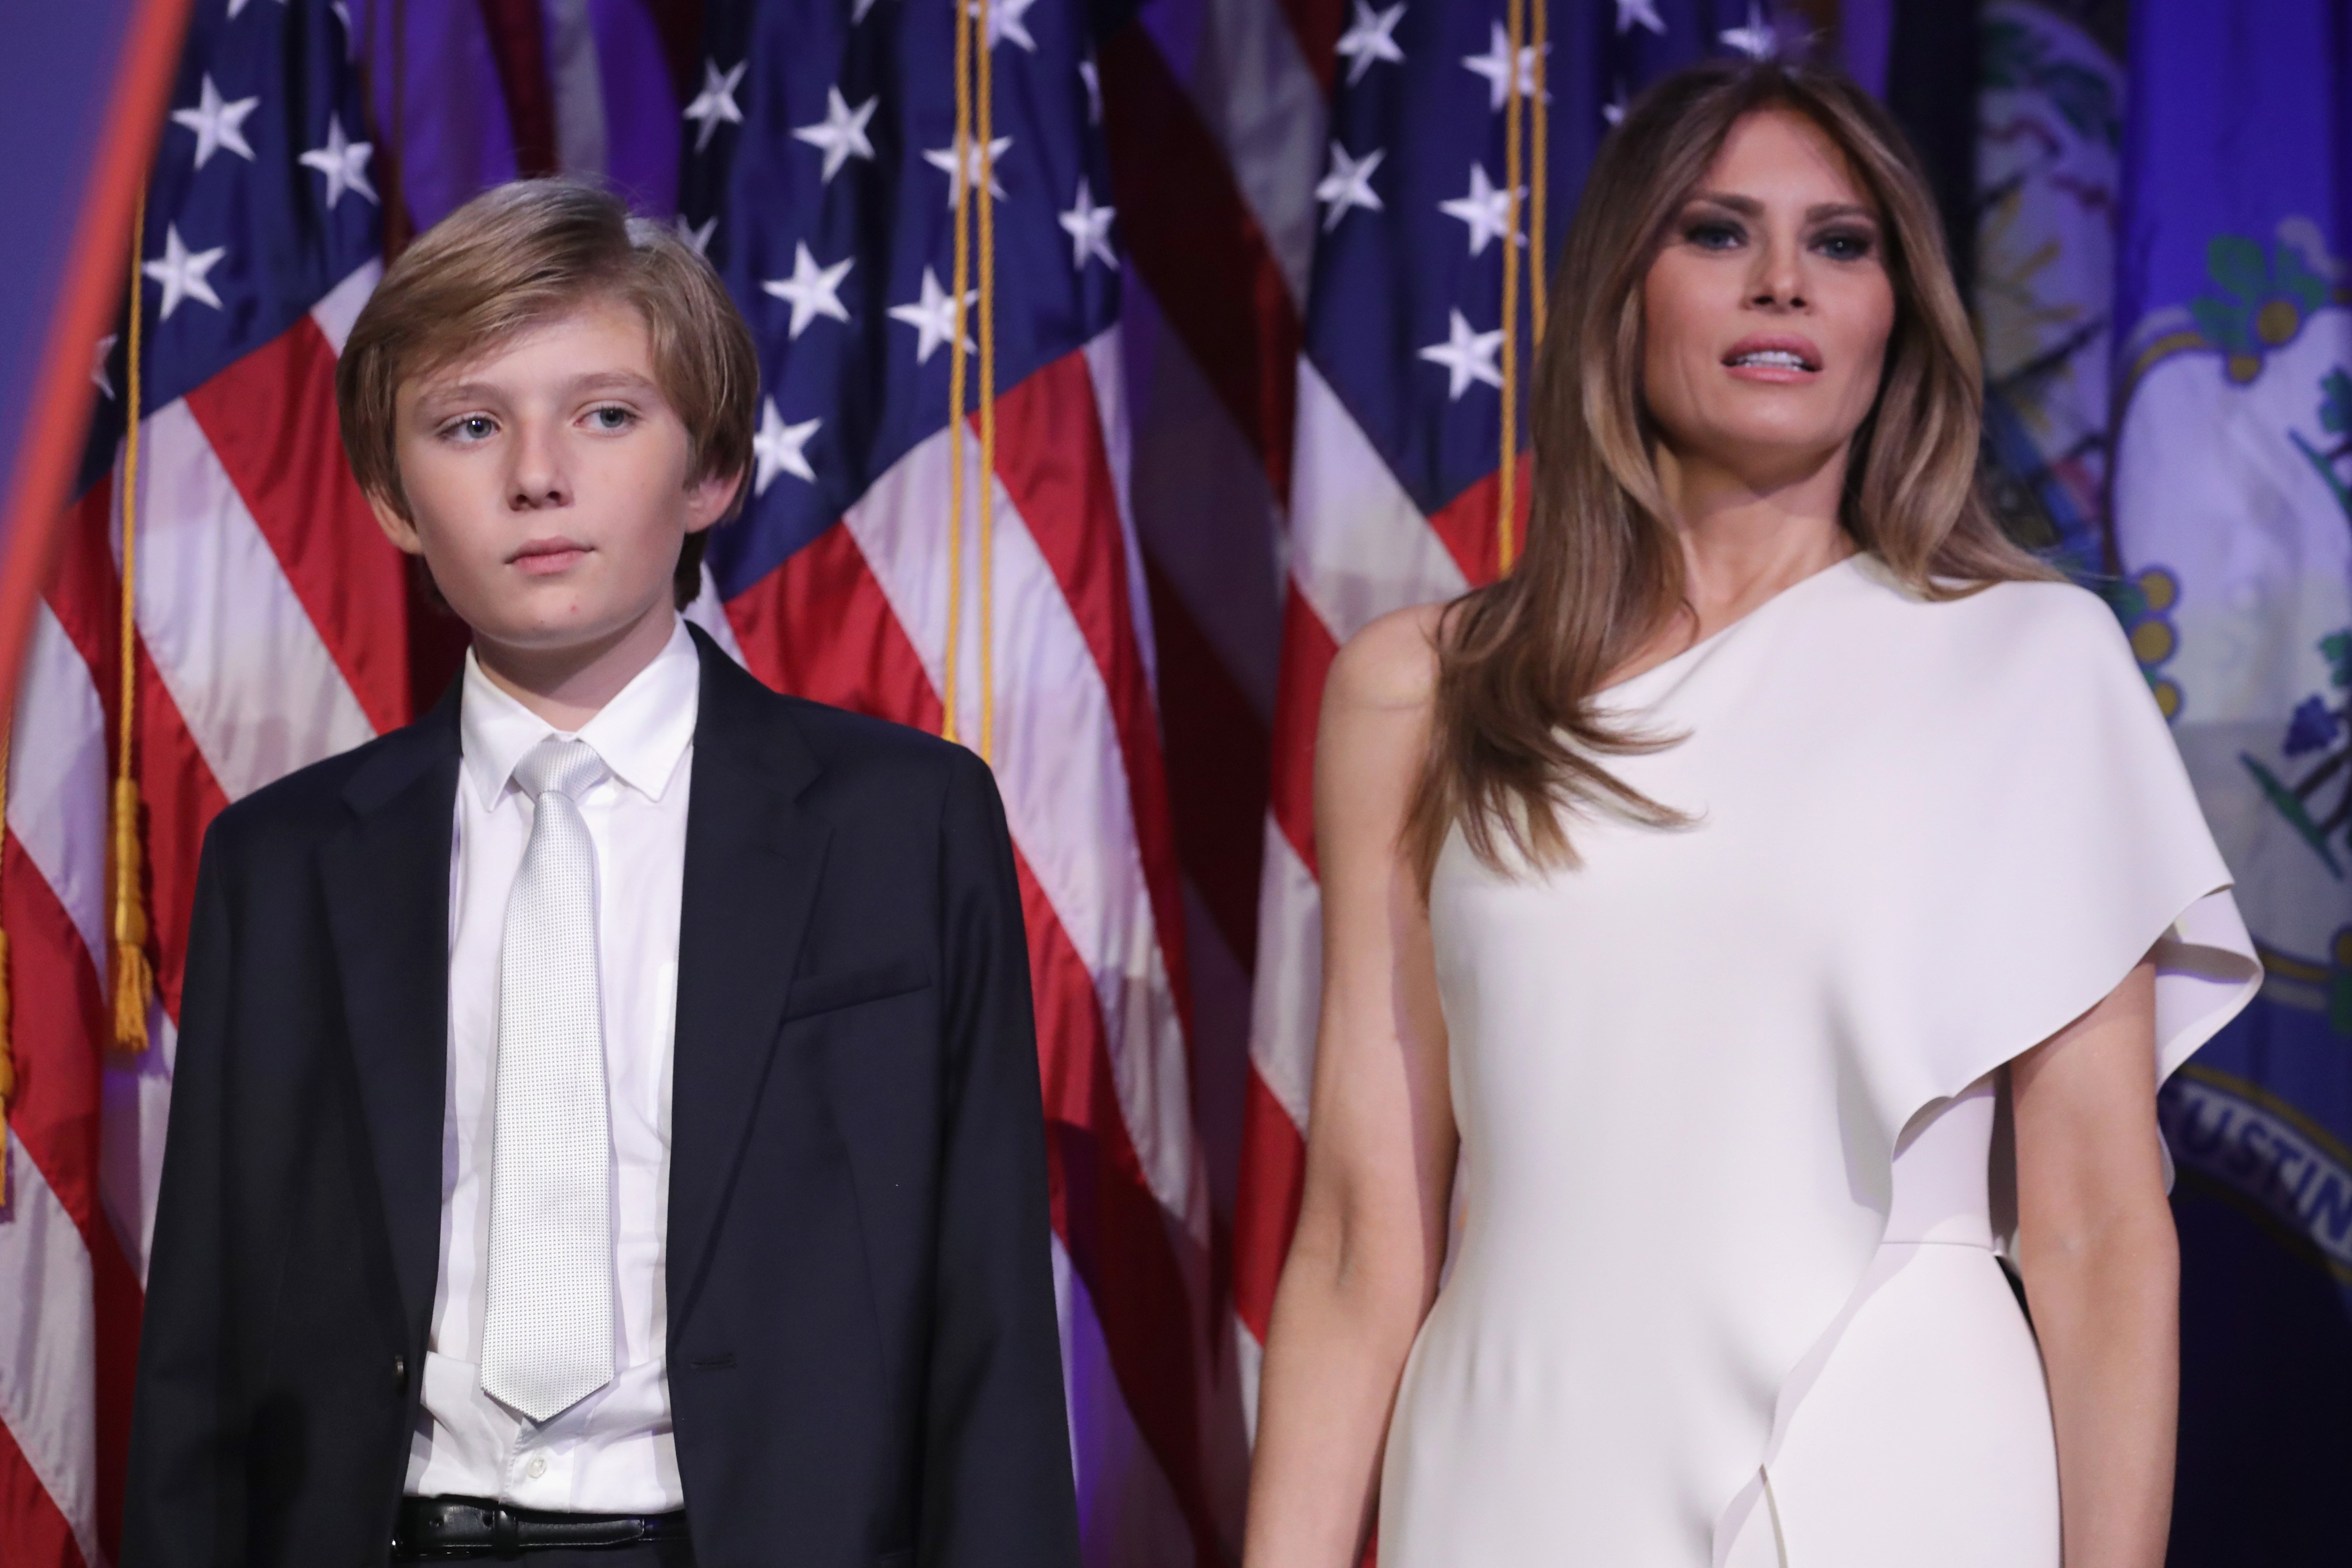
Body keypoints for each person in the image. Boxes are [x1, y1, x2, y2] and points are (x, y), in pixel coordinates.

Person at [1243, 60, 2260, 1568]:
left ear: (1894, 314)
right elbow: (1354, 1237)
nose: (1784, 282)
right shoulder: (1421, 691)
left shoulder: (2032, 665)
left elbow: (2101, 1227)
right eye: (1718, 234)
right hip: (1513, 1466)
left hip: (1896, 1467)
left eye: (1841, 244)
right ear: (1623, 292)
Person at [121, 179, 1082, 1568]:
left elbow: (987, 1321)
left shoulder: (901, 826)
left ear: (711, 471)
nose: (537, 475)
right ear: (393, 497)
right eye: (469, 425)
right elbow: (205, 1352)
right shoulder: (282, 864)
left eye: (607, 415)